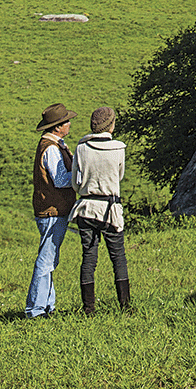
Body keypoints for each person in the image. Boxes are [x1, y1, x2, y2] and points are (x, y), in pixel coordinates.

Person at [70, 106, 130, 315]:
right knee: (118, 258)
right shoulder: (118, 149)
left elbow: (75, 183)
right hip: (111, 209)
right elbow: (119, 176)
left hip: (86, 207)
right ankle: (125, 306)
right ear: (111, 125)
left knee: (89, 257)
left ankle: (89, 308)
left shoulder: (81, 148)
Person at [26, 103, 77, 318]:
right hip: (53, 210)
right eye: (65, 121)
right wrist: (81, 177)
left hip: (52, 209)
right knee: (47, 259)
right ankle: (36, 310)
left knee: (49, 258)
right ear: (57, 127)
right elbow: (61, 180)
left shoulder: (52, 145)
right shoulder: (52, 149)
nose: (69, 123)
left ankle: (47, 306)